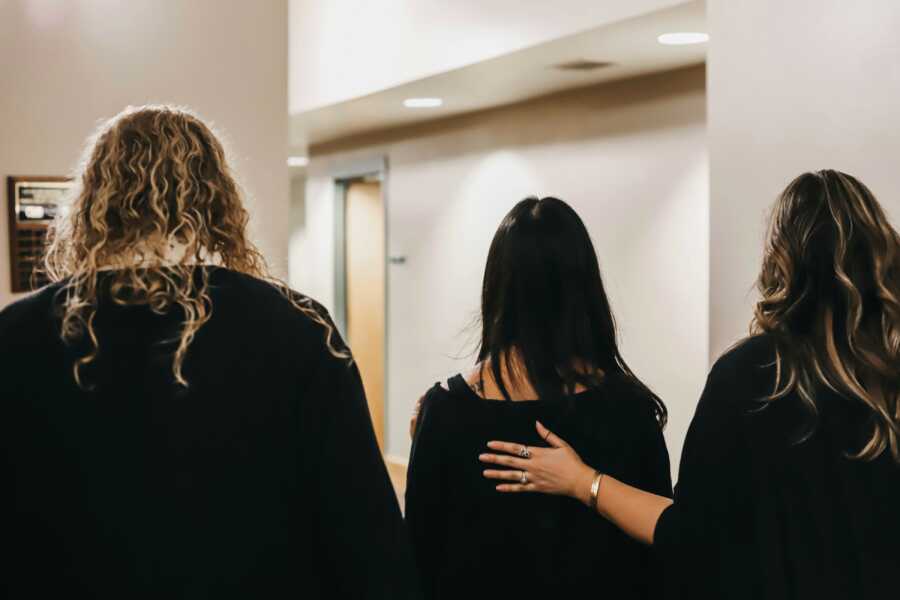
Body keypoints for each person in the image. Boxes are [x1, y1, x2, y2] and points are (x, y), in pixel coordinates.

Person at [0, 105, 417, 599]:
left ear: (95, 201)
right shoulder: (298, 329)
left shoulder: (17, 335)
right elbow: (361, 523)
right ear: (217, 200)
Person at [480, 170, 900, 599]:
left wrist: (582, 480)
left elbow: (690, 535)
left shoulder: (749, 378)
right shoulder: (886, 379)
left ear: (783, 260)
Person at [405, 197, 672, 599]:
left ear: (497, 289)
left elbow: (419, 560)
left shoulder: (444, 412)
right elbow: (660, 557)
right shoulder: (628, 411)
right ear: (585, 289)